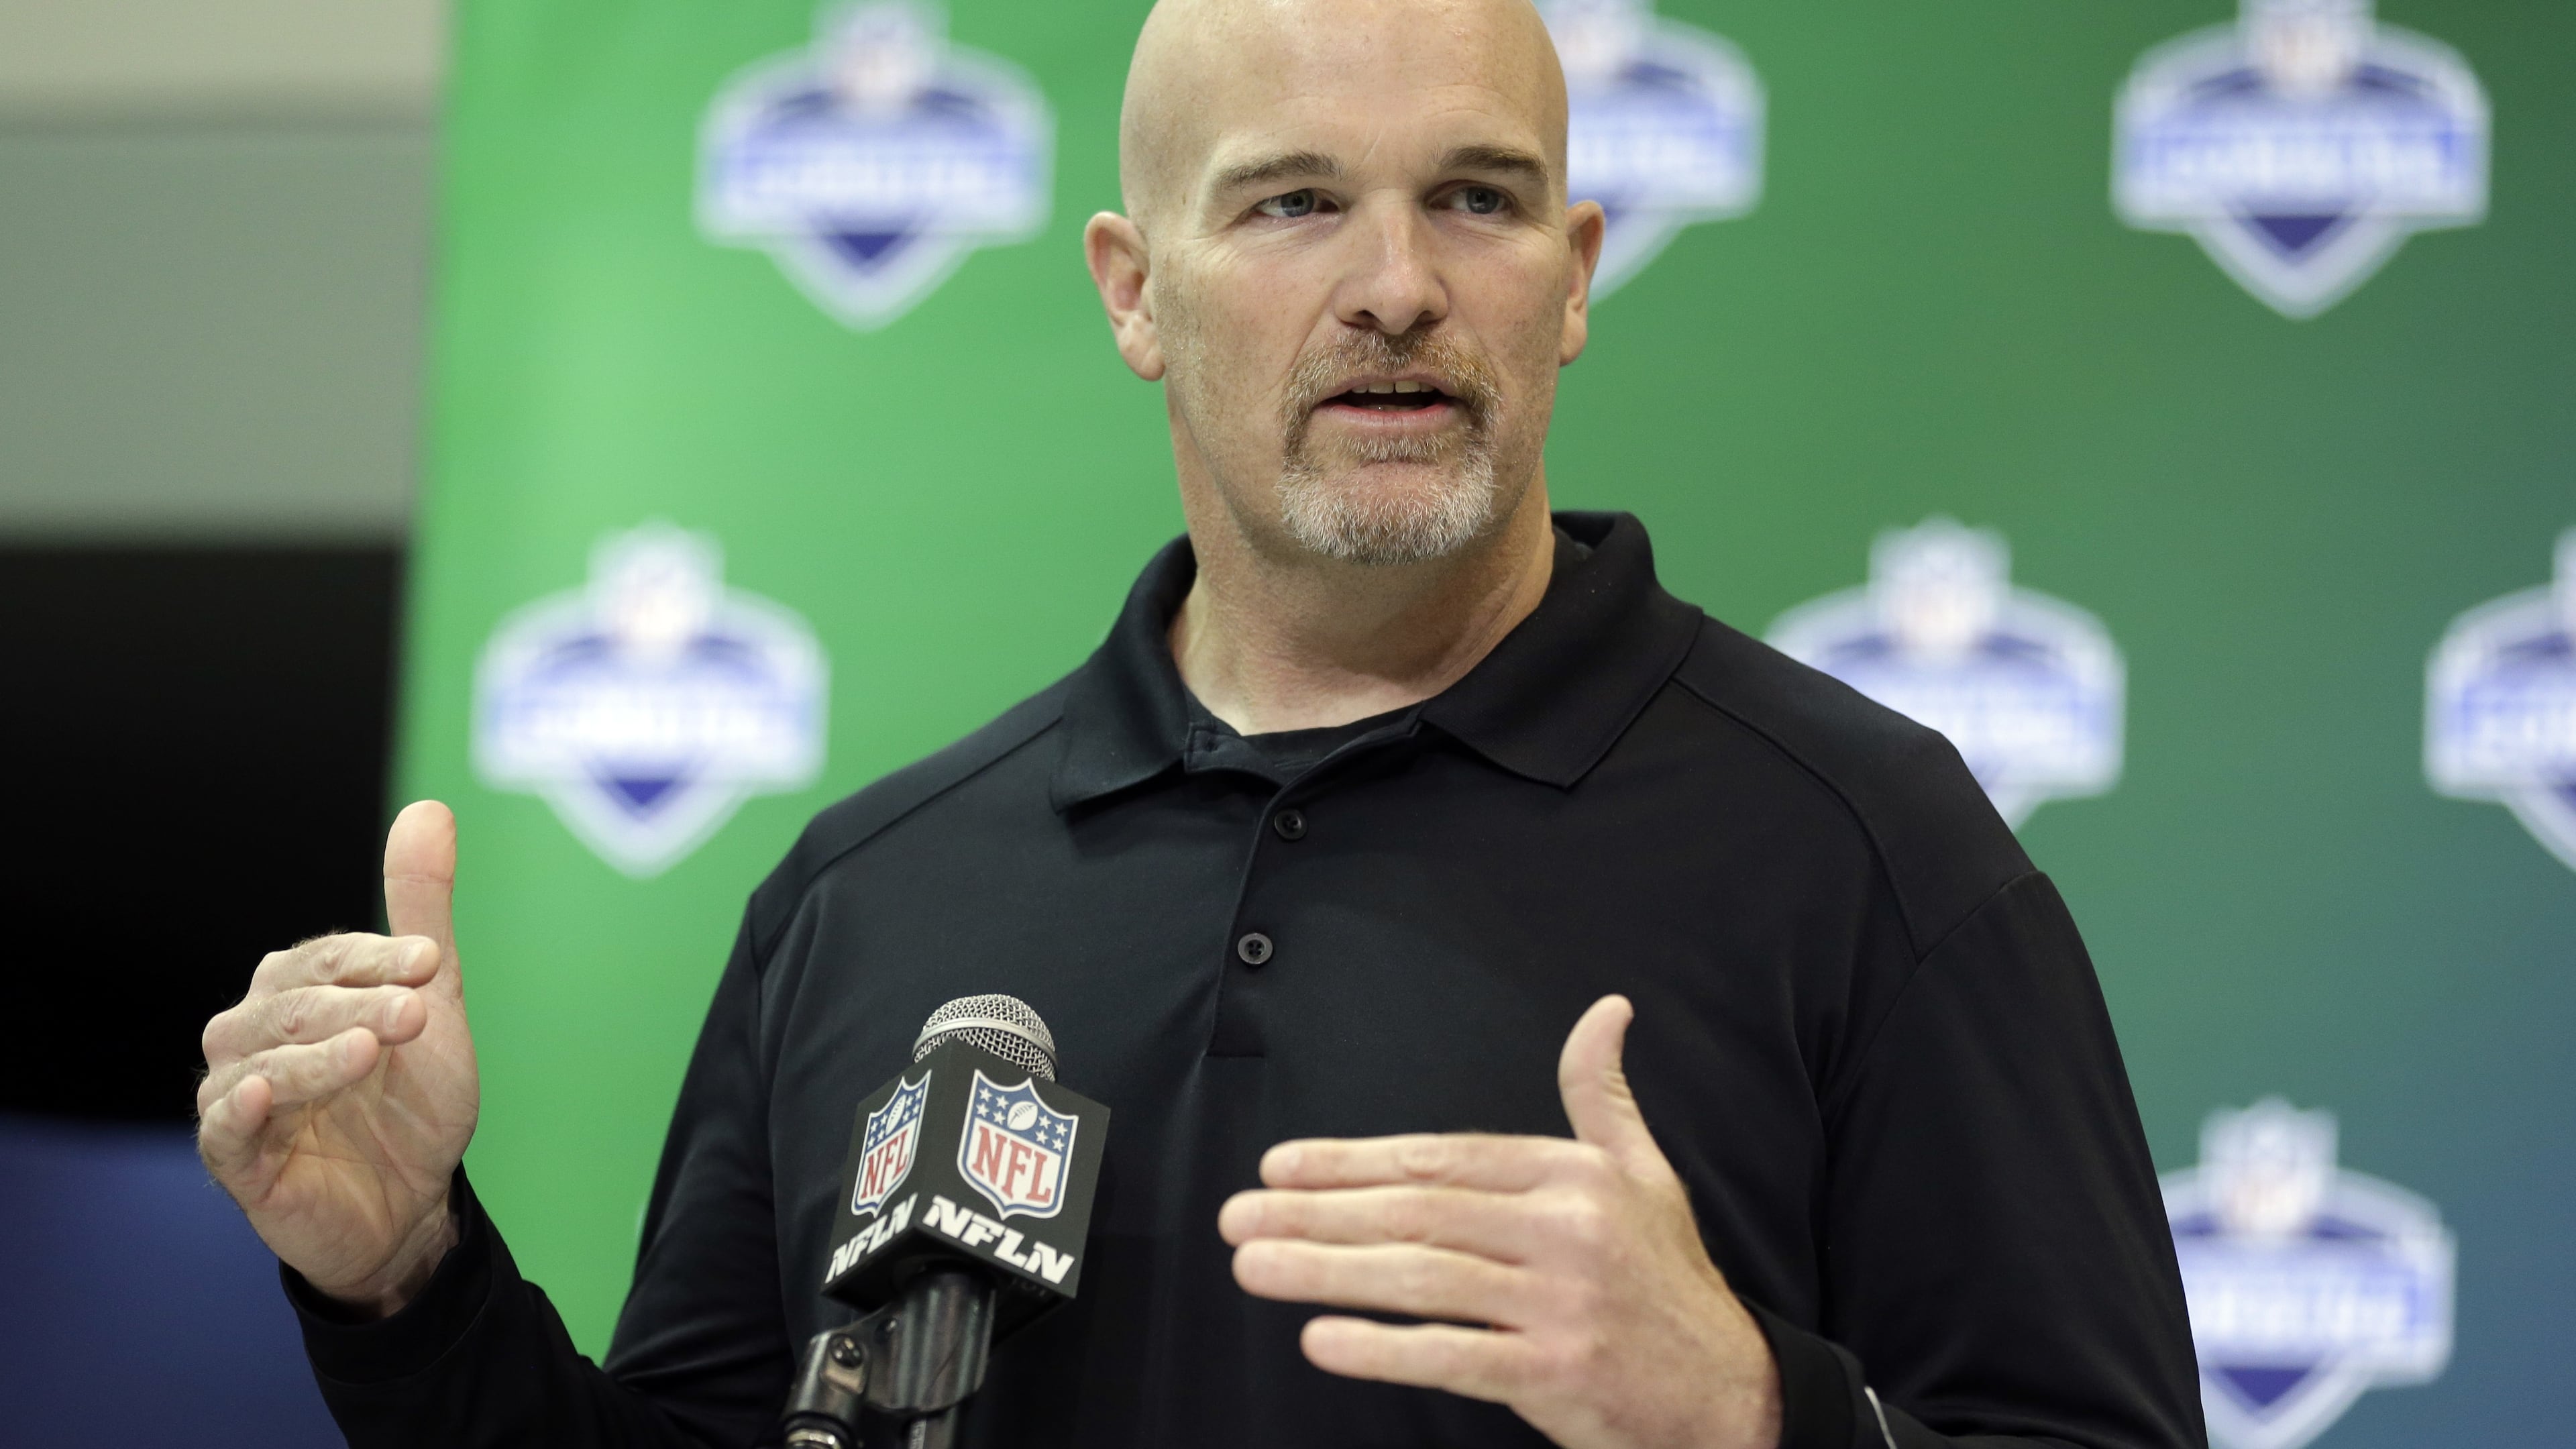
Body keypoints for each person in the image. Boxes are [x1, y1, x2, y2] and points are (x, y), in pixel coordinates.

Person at [195, 0, 2204, 1445]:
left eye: (1481, 200)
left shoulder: (1865, 846)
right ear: (1133, 289)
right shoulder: (870, 897)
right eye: (1293, 204)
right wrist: (406, 1293)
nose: (1398, 285)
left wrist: (1763, 1419)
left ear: (1575, 278)